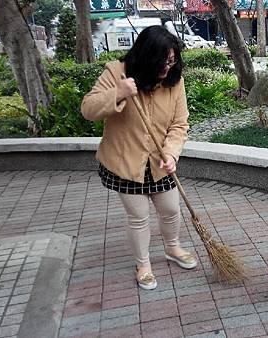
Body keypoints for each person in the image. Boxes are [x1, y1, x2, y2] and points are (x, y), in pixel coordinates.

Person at [81, 25, 197, 290]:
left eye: (172, 60)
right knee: (139, 216)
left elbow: (179, 125)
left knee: (170, 209)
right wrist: (118, 93)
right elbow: (88, 109)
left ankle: (173, 247)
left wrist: (171, 154)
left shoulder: (174, 81)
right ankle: (143, 263)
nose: (167, 67)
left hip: (159, 162)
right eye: (162, 62)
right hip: (126, 162)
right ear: (146, 57)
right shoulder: (117, 72)